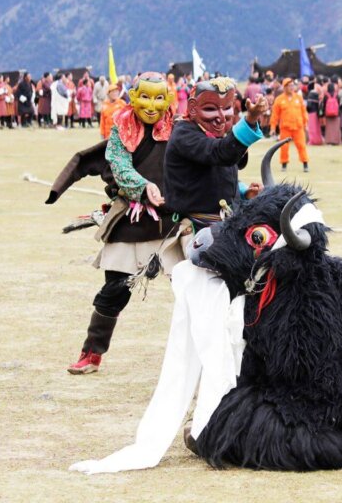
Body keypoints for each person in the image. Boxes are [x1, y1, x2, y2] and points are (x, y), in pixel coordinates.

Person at [47, 73, 176, 374]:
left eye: (159, 98)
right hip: (130, 218)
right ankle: (91, 354)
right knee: (114, 291)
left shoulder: (179, 129)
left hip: (173, 220)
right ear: (134, 97)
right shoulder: (122, 130)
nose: (152, 105)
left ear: (168, 99)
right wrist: (144, 188)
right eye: (146, 97)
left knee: (193, 288)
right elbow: (119, 167)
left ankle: (208, 357)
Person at [164, 76, 267, 232]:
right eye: (210, 109)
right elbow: (220, 153)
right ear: (192, 108)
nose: (220, 117)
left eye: (226, 108)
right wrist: (250, 120)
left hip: (227, 222)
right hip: (196, 227)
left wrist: (244, 193)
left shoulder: (214, 133)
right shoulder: (184, 134)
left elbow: (216, 175)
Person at [270, 77, 310, 172]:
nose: (292, 87)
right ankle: (284, 165)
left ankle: (305, 164)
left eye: (292, 85)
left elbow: (304, 112)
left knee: (302, 146)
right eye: (289, 86)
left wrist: (306, 124)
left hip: (298, 127)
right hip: (285, 128)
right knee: (284, 147)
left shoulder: (298, 98)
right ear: (284, 87)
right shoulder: (279, 100)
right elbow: (275, 115)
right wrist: (273, 127)